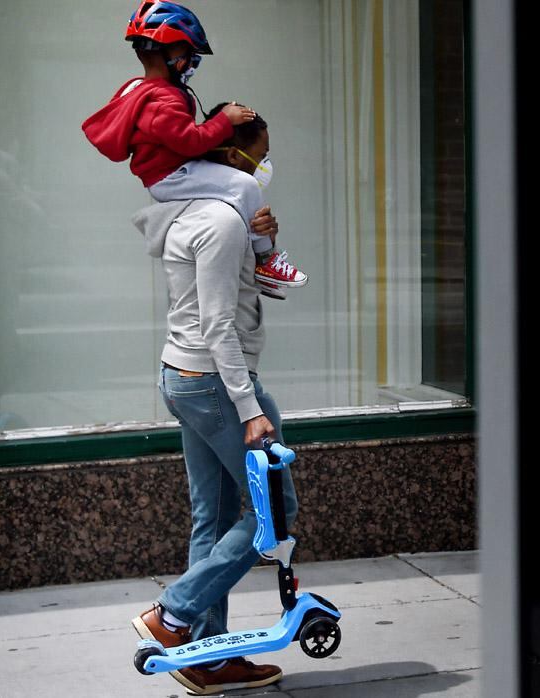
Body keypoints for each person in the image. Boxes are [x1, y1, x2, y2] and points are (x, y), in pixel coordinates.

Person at [129, 108, 298, 696]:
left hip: (184, 375)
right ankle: (173, 616)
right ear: (232, 159)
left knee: (215, 518)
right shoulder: (223, 222)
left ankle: (203, 655)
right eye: (260, 154)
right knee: (273, 510)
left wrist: (263, 238)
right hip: (218, 383)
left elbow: (257, 286)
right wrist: (251, 408)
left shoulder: (196, 213)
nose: (266, 167)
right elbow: (220, 323)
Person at [81, 0, 308, 296]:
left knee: (238, 191)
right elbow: (190, 142)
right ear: (168, 51)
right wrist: (224, 121)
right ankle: (266, 261)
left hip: (168, 175)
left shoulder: (144, 91)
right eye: (188, 53)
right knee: (245, 185)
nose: (191, 61)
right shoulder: (164, 102)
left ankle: (261, 260)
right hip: (173, 176)